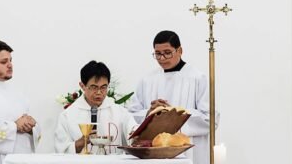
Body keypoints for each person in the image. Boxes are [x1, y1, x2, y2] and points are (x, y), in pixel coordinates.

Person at [129, 30, 216, 164]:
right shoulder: (147, 80)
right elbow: (131, 116)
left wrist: (174, 115)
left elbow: (210, 119)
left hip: (188, 153)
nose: (162, 58)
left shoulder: (198, 78)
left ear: (180, 50)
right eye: (157, 54)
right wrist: (150, 113)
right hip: (154, 152)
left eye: (167, 53)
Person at [54, 60, 138, 153]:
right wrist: (81, 142)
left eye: (103, 87)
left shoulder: (120, 113)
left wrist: (138, 134)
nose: (99, 92)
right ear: (82, 86)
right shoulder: (67, 116)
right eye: (94, 87)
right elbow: (61, 150)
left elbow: (135, 134)